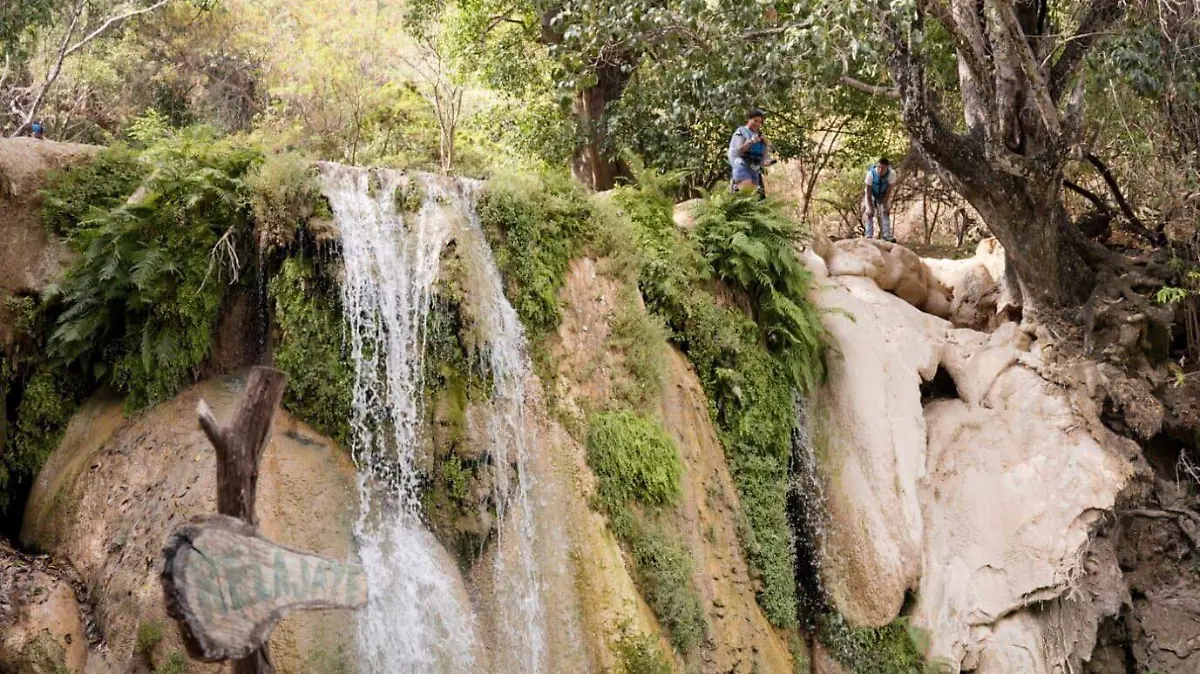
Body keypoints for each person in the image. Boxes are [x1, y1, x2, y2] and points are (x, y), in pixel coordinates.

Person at [728, 109, 774, 197]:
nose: (757, 124)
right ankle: (735, 188)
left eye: (759, 122)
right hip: (742, 165)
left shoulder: (760, 137)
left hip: (754, 169)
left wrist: (767, 161)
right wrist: (752, 141)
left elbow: (765, 157)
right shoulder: (741, 132)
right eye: (755, 121)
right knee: (746, 195)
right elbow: (739, 149)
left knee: (752, 199)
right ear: (749, 119)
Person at [863, 157, 897, 242]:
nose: (880, 170)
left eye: (883, 168)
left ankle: (886, 235)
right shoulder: (871, 174)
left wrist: (885, 203)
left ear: (887, 168)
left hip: (884, 193)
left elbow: (889, 189)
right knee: (869, 213)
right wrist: (870, 206)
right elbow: (868, 190)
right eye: (879, 167)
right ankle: (869, 235)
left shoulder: (891, 174)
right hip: (871, 194)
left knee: (885, 212)